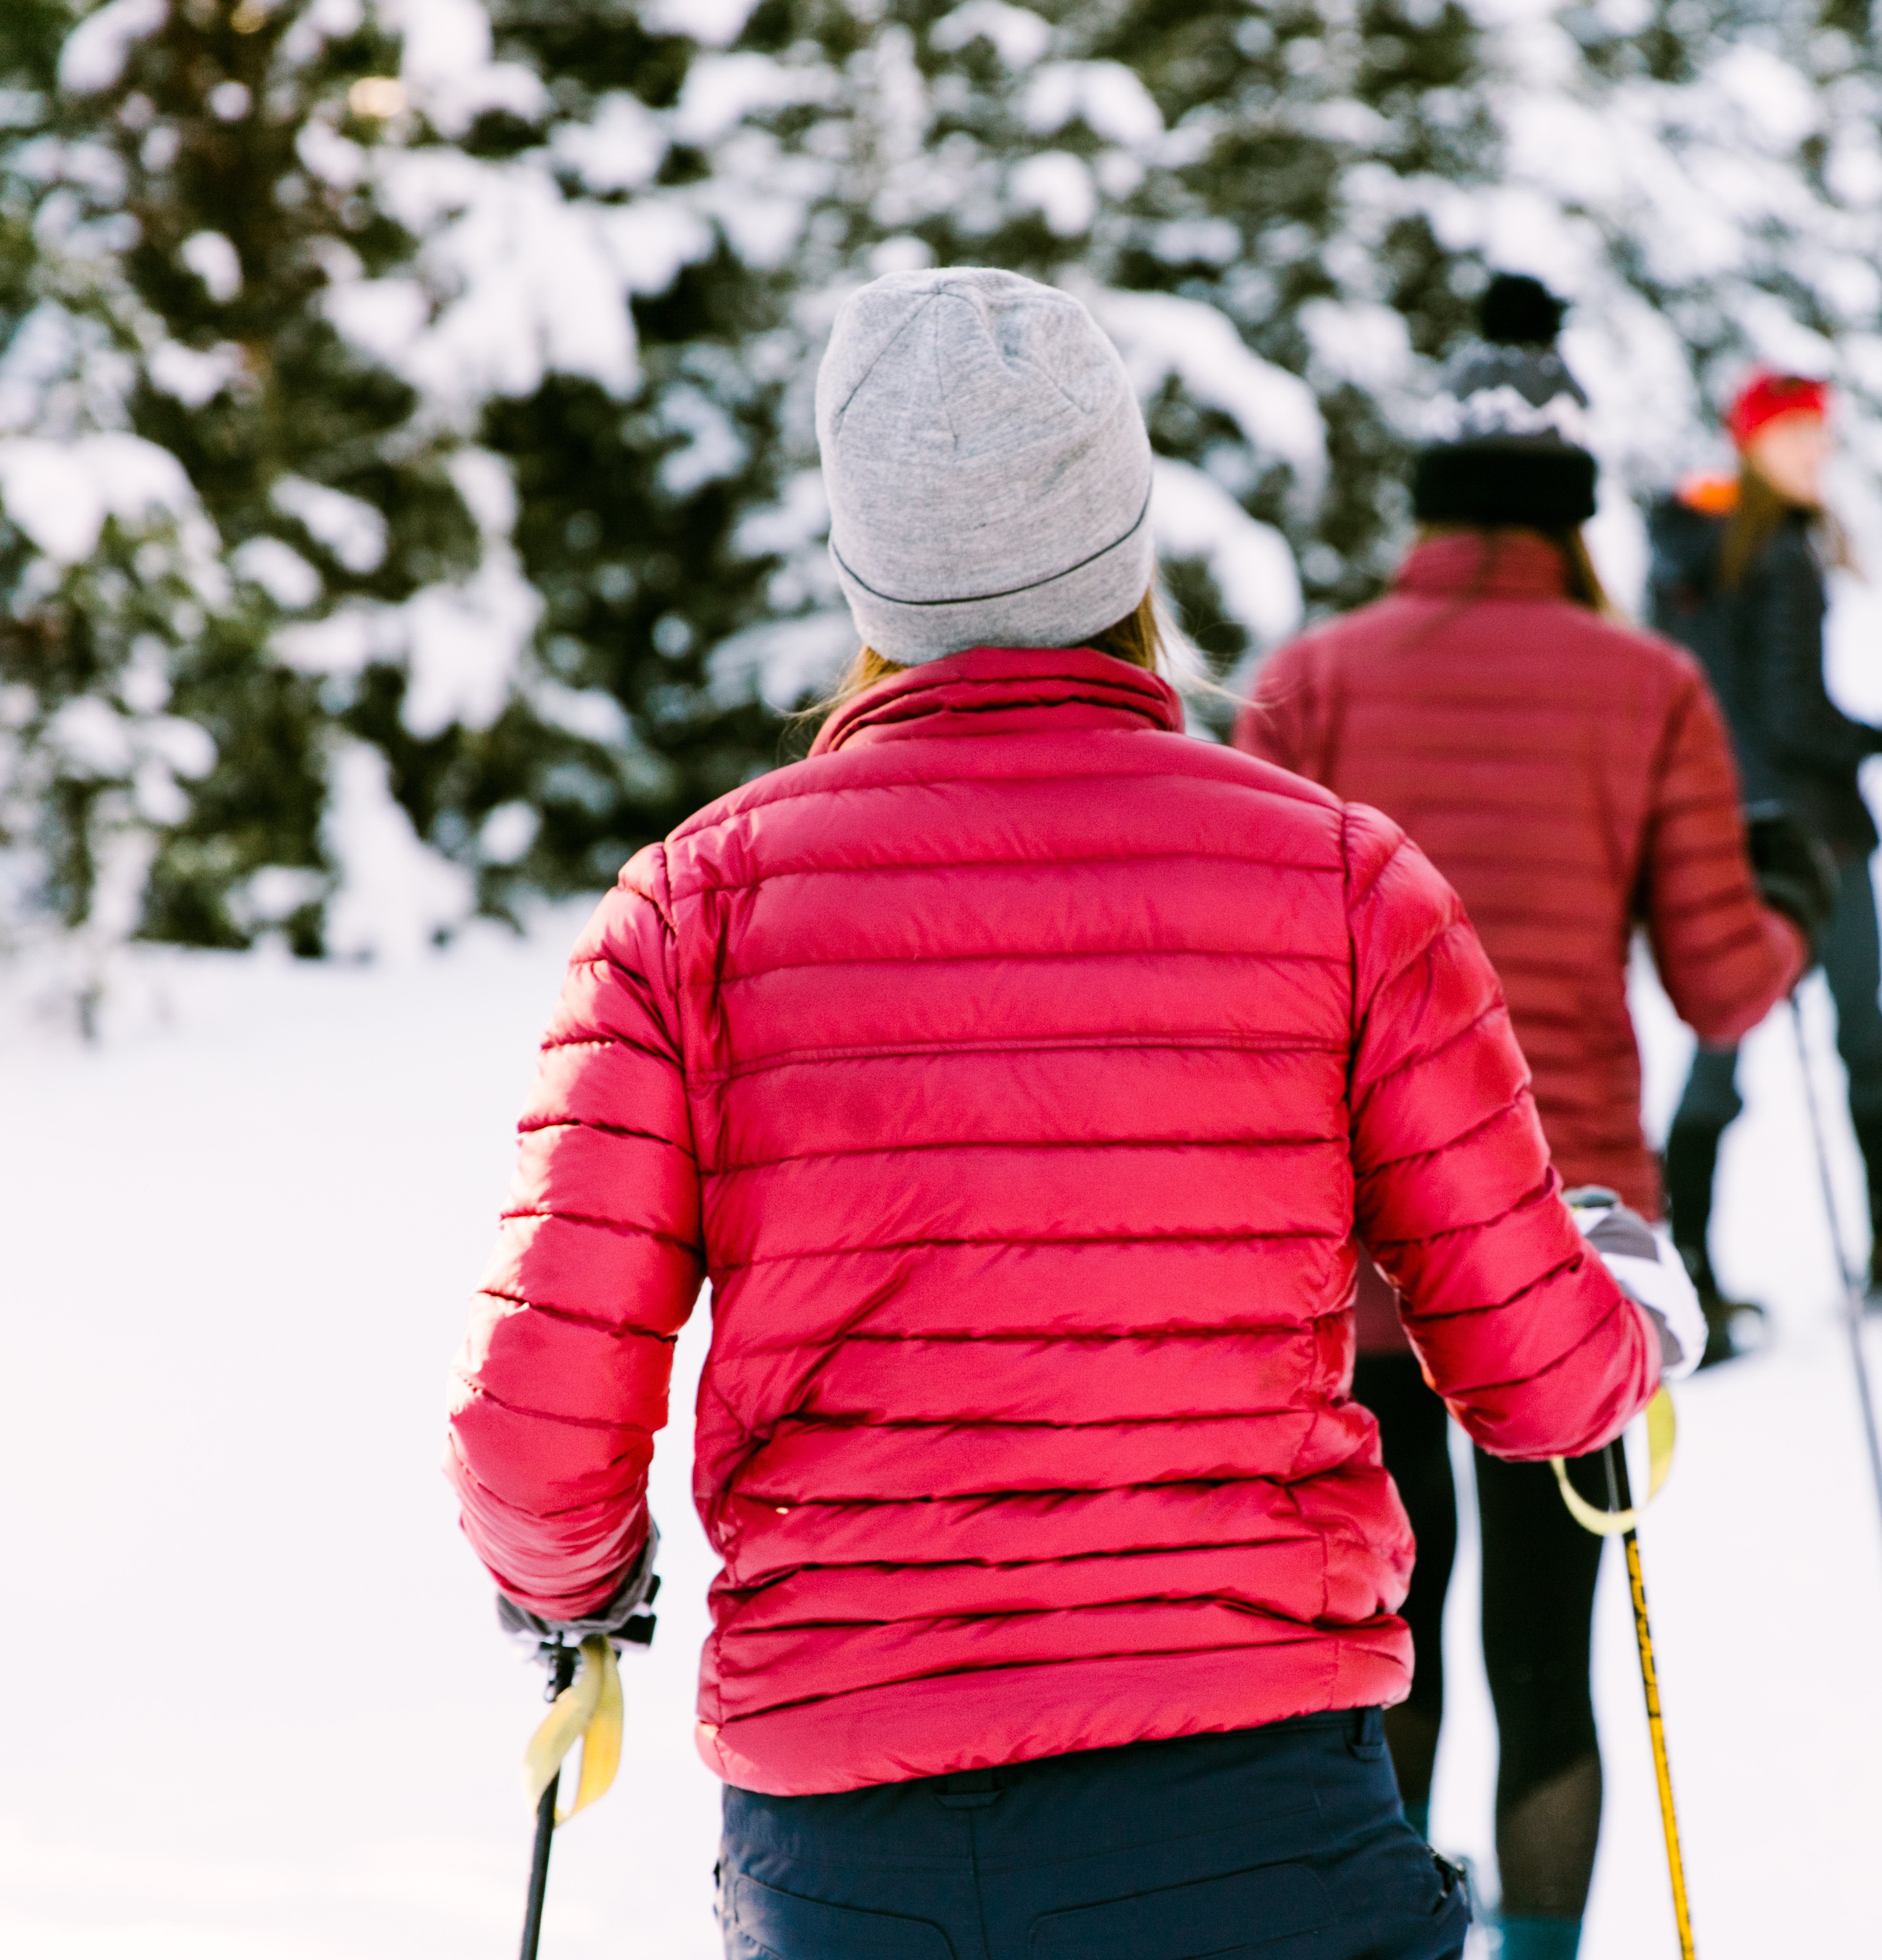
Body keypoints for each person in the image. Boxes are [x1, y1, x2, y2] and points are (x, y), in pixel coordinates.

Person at [442, 268, 1693, 1960]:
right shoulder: (1341, 878)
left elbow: (532, 1431)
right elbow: (1539, 1372)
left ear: (866, 561)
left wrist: (581, 1582)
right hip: (1260, 1821)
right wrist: (1635, 1312)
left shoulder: (693, 909)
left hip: (858, 1853)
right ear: (1128, 530)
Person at [1236, 274, 1818, 1960]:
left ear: (1429, 500)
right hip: (1568, 1253)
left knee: (1381, 1640)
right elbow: (1721, 987)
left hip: (1349, 1264)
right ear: (1572, 511)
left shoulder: (1316, 678)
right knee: (1549, 1661)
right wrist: (1794, 886)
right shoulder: (1648, 691)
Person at [1647, 373, 1882, 1318]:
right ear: (1752, 444)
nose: (1816, 453)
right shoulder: (1779, 551)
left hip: (1718, 832)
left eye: (1822, 437)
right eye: (1797, 435)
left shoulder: (1684, 544)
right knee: (1861, 1034)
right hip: (1816, 835)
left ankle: (1681, 1260)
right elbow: (1795, 714)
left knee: (1719, 1035)